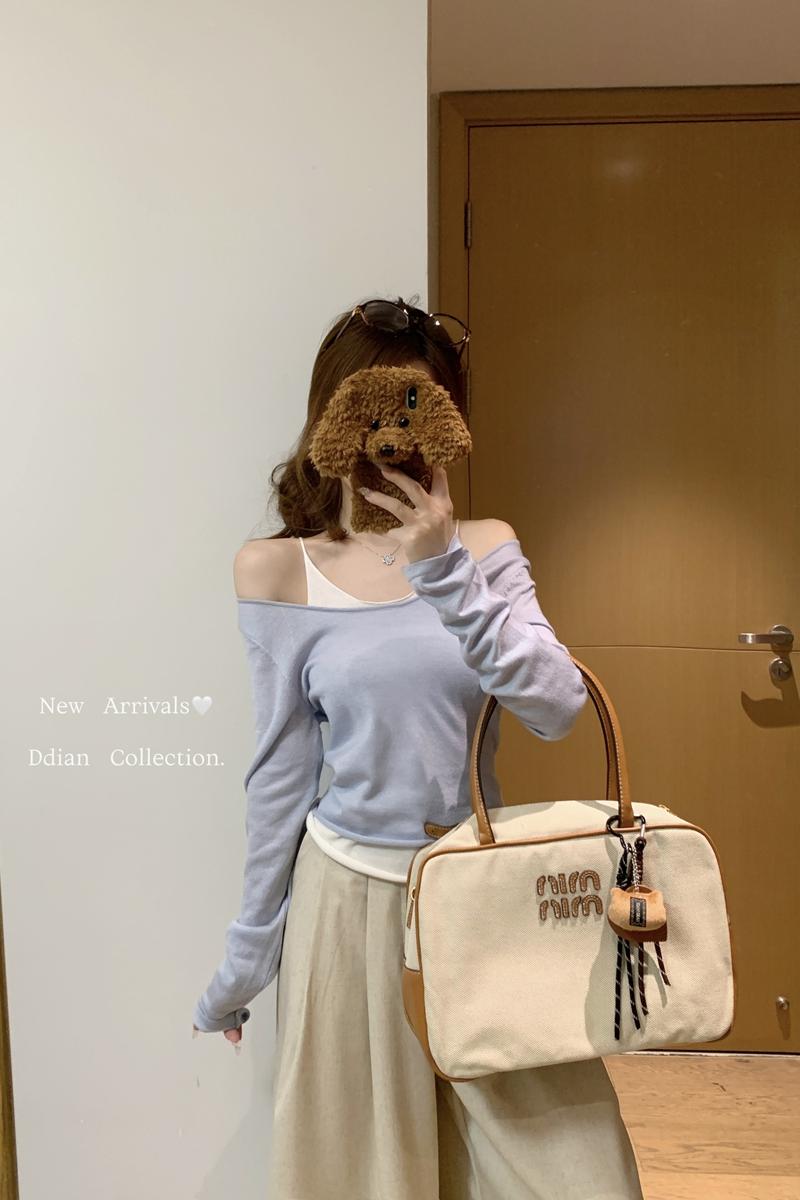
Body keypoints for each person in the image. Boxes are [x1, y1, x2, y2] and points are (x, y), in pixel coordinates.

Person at [192, 295, 645, 1199]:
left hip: (475, 891)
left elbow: (557, 708)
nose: (394, 434)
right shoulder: (277, 568)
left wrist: (445, 571)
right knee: (366, 1175)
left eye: (417, 406)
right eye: (373, 407)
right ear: (332, 414)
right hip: (345, 908)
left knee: (569, 1172)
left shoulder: (485, 548)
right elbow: (280, 776)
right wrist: (246, 960)